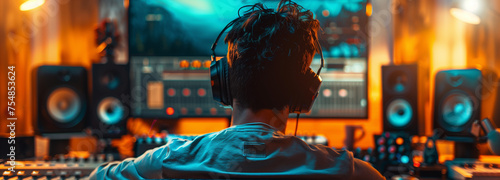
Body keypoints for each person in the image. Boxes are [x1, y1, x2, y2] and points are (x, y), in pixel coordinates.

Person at [90, 0, 385, 179]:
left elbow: (96, 178)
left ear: (223, 83)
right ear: (304, 93)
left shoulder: (170, 160)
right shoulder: (345, 171)